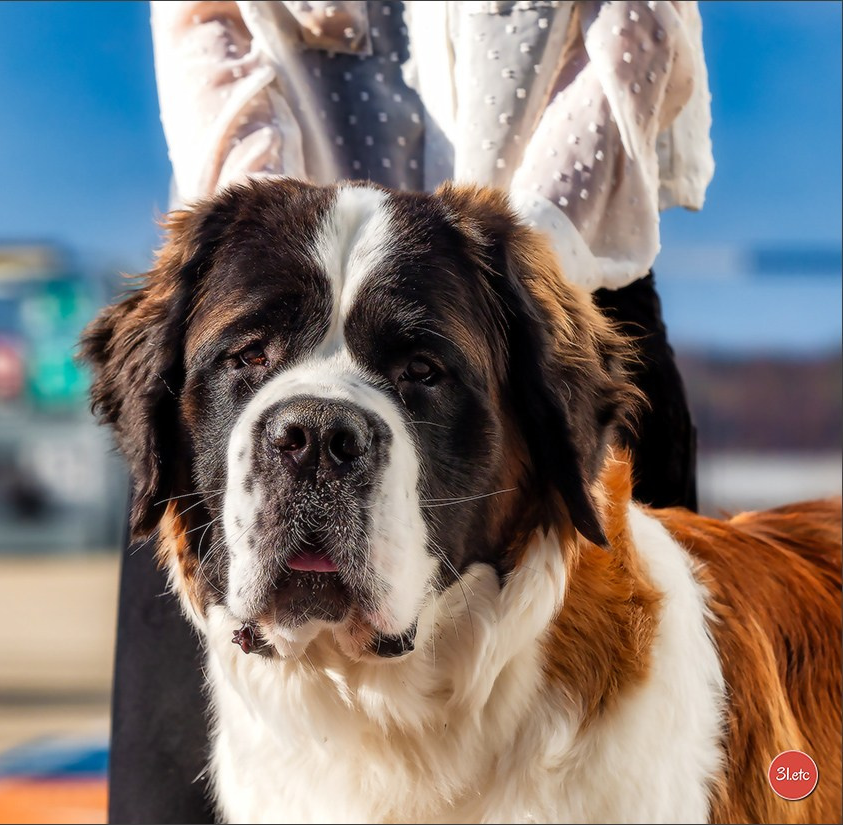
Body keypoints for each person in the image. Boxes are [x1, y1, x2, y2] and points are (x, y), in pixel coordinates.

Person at [109, 3, 712, 822]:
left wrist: (510, 271)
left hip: (561, 306)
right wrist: (263, 219)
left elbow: (637, 34)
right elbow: (205, 21)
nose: (316, 440)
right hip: (256, 261)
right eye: (253, 354)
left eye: (418, 370)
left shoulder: (538, 341)